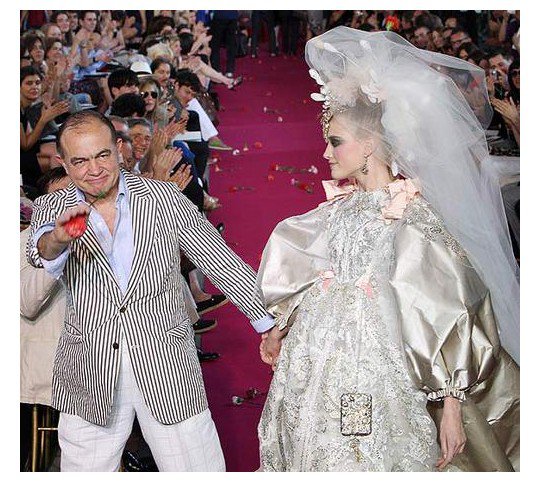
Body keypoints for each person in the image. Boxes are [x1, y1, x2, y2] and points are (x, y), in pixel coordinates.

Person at [257, 27, 519, 472]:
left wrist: (451, 405)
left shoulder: (412, 217)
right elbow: (305, 268)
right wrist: (280, 327)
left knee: (368, 455)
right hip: (319, 367)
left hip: (384, 373)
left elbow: (446, 307)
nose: (325, 153)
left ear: (370, 145)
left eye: (336, 142)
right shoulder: (338, 210)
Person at [26, 109, 274, 472]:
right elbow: (38, 252)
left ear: (119, 148)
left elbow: (220, 260)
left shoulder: (163, 198)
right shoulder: (52, 206)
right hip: (89, 370)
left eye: (102, 155)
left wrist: (268, 324)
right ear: (63, 162)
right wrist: (58, 239)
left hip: (167, 366)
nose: (94, 170)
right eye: (80, 161)